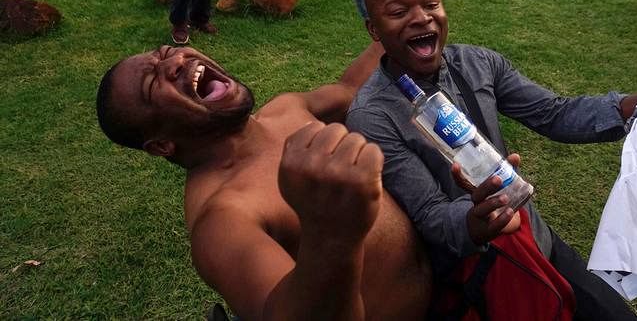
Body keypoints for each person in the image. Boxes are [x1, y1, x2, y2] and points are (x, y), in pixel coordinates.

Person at [347, 0, 637, 320]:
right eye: (398, 11)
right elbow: (430, 214)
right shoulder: (373, 116)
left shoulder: (478, 63)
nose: (421, 18)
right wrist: (475, 220)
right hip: (475, 270)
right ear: (373, 29)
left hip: (535, 239)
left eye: (430, 4)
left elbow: (554, 113)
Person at [95, 43, 431, 320]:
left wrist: (395, 31)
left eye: (166, 51)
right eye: (153, 82)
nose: (175, 62)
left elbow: (348, 90)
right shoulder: (223, 219)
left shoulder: (286, 109)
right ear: (161, 145)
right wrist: (331, 235)